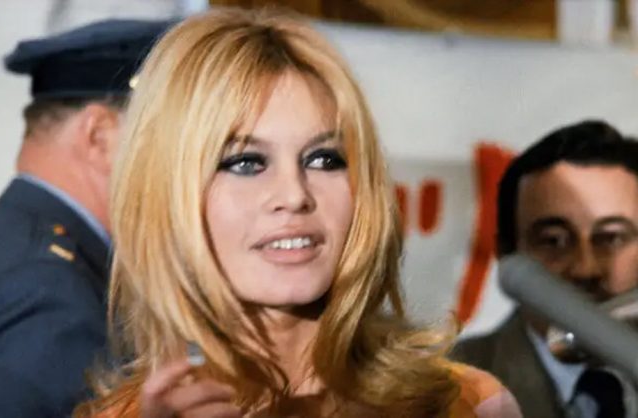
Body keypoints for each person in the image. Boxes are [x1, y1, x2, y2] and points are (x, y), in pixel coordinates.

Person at [74, 8, 521, 418]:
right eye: (245, 163)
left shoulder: (468, 404)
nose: (294, 195)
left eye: (324, 159)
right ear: (169, 194)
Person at [0, 19, 170, 418]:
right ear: (98, 136)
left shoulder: (2, 242)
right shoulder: (43, 287)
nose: (179, 164)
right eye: (166, 138)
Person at [452, 120, 638, 418]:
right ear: (506, 253)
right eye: (554, 241)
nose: (585, 268)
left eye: (611, 238)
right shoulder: (440, 390)